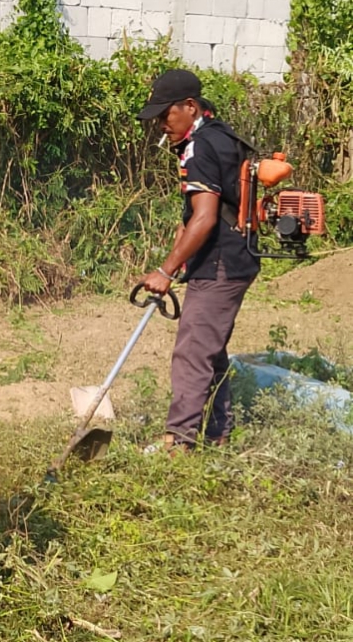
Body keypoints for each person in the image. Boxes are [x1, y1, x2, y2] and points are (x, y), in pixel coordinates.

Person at [136, 69, 259, 451]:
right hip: (232, 256)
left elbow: (206, 216)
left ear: (190, 107)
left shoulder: (201, 146)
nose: (161, 125)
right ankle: (218, 434)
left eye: (165, 115)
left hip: (221, 261)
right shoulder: (218, 135)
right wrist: (182, 242)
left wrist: (164, 271)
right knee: (210, 348)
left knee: (192, 352)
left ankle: (178, 441)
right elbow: (201, 212)